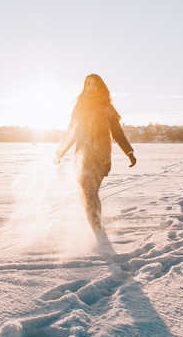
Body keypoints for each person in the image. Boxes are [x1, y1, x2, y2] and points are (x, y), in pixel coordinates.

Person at [54, 74, 137, 233]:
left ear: (100, 87)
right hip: (82, 157)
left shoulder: (107, 108)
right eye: (88, 84)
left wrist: (129, 152)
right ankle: (96, 226)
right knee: (86, 193)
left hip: (100, 156)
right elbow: (71, 133)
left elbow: (118, 134)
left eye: (94, 84)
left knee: (90, 192)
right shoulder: (79, 107)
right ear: (84, 87)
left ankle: (97, 230)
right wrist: (60, 152)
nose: (91, 87)